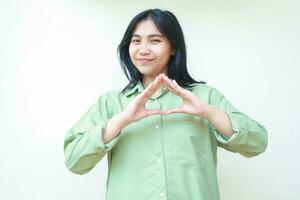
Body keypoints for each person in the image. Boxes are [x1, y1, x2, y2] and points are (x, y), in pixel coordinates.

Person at [63, 8, 268, 200]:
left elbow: (258, 143)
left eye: (155, 40)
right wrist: (122, 120)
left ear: (173, 47)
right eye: (136, 41)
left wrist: (208, 112)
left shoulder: (204, 97)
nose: (143, 50)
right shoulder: (111, 102)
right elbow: (74, 161)